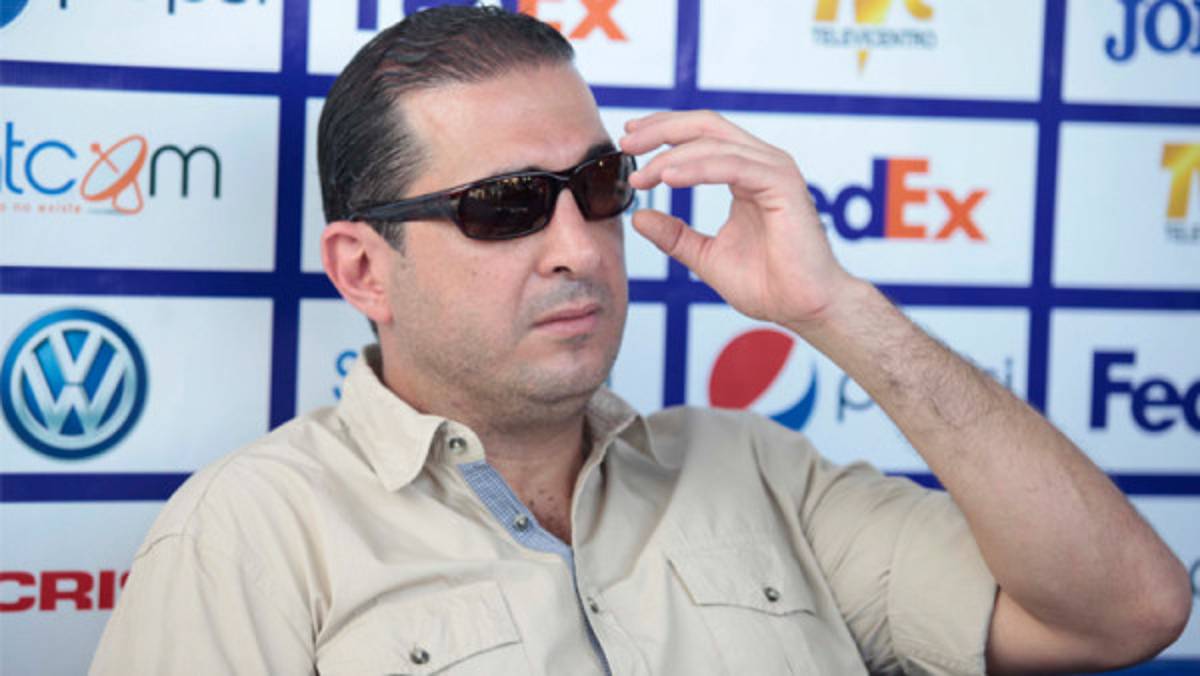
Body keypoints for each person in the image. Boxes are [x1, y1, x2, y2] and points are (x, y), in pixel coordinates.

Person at [91, 7, 1190, 675]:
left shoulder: (761, 471)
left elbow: (1125, 615)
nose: (579, 246)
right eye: (506, 205)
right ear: (363, 270)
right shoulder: (250, 535)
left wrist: (833, 308)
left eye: (599, 185)